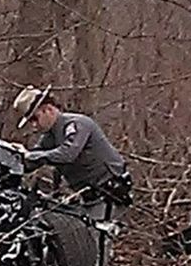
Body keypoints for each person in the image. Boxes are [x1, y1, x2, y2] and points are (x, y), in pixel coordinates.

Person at [11, 85, 132, 221]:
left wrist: (30, 155)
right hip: (89, 199)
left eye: (34, 118)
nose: (34, 125)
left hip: (109, 195)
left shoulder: (76, 124)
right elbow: (33, 160)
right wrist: (14, 157)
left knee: (93, 239)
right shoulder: (50, 137)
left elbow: (68, 154)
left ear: (48, 110)